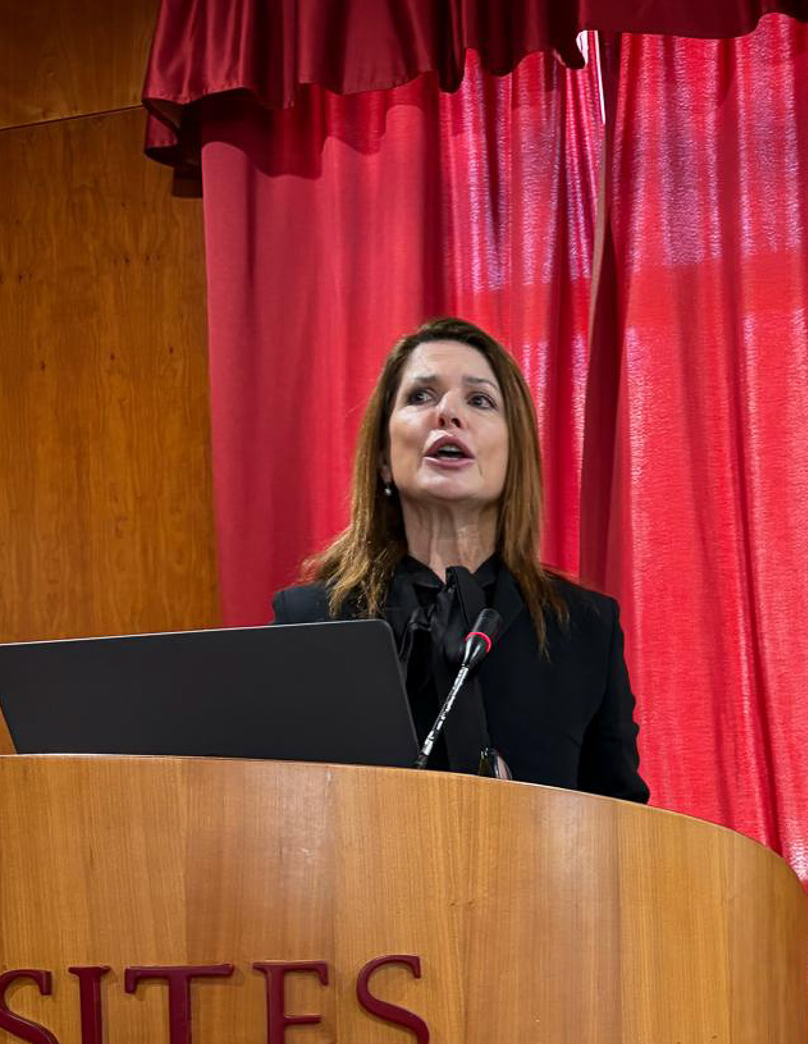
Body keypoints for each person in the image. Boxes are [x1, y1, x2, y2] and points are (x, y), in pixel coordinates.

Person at [271, 316, 647, 801]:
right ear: (383, 457)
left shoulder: (585, 628)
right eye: (421, 396)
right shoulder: (310, 621)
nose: (447, 413)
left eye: (480, 400)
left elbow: (622, 825)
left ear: (514, 456)